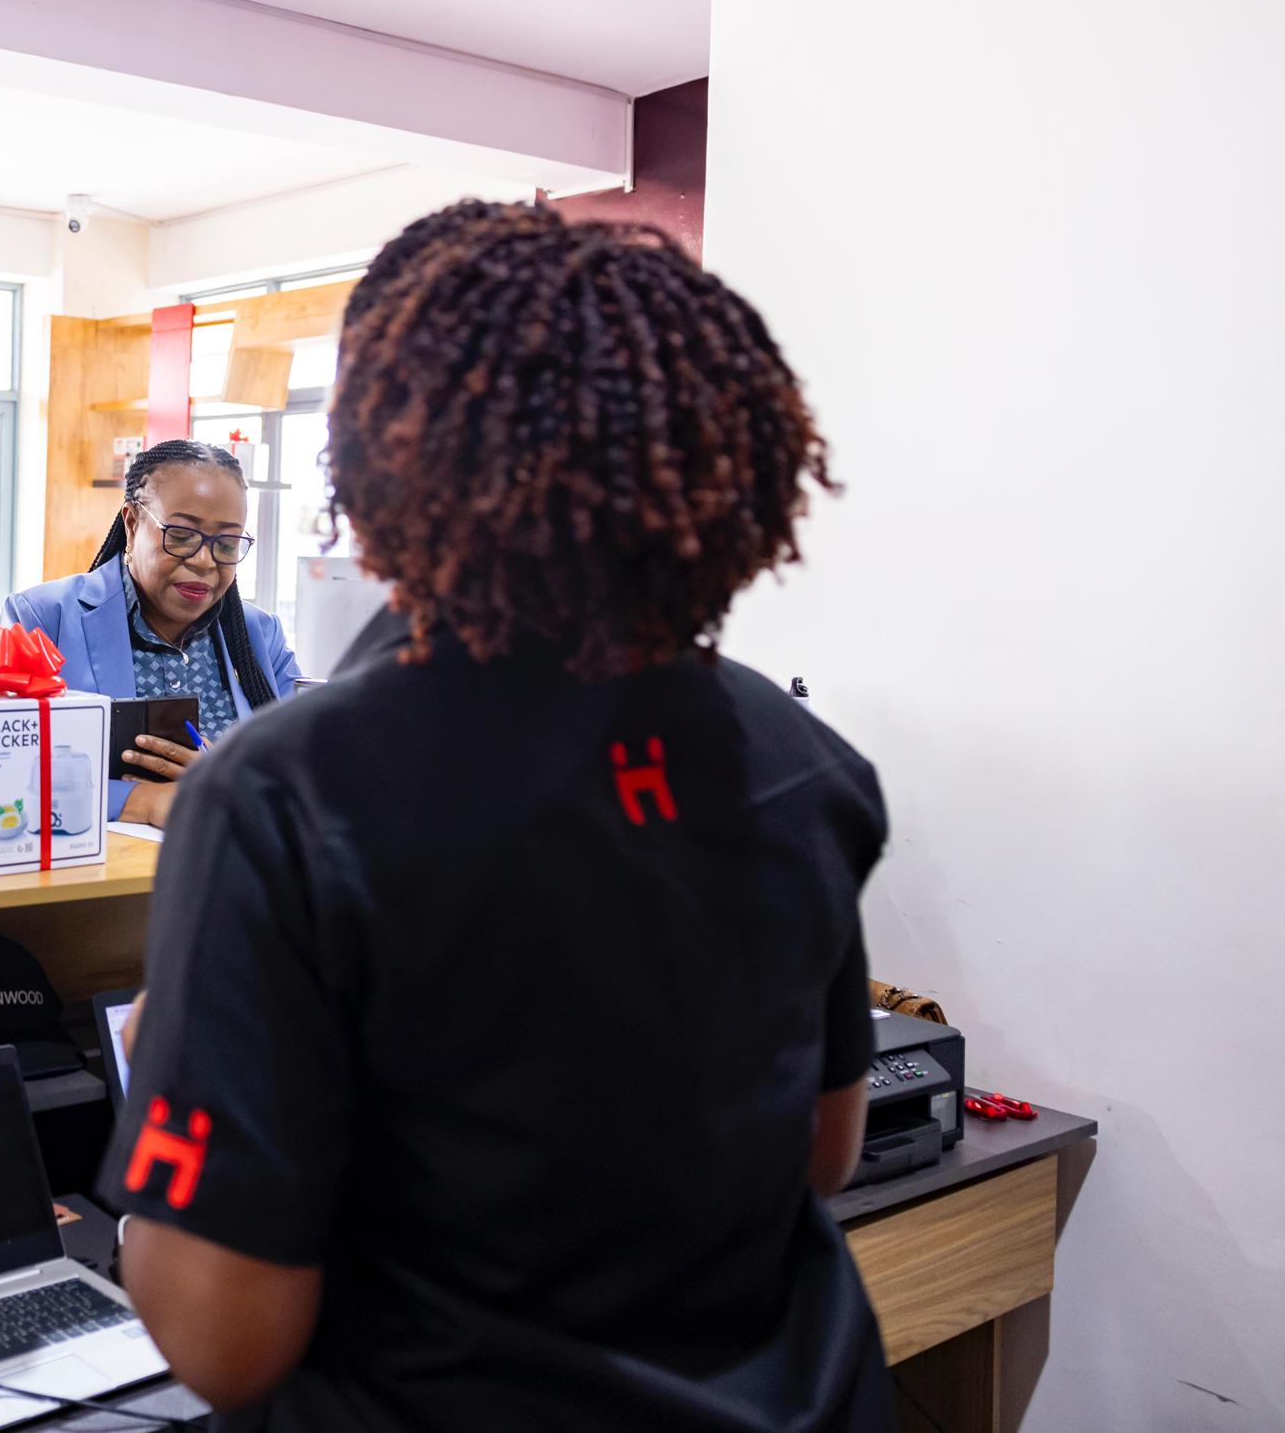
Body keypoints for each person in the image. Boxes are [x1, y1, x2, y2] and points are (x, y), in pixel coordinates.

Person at [108, 203, 896, 1432]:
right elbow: (822, 1151)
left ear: (377, 461)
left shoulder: (286, 795)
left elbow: (221, 1332)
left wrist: (185, 1045)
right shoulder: (801, 760)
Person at [4, 440, 299, 827]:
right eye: (181, 536)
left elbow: (310, 774)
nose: (204, 561)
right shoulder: (43, 619)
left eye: (227, 544)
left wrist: (230, 780)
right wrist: (140, 801)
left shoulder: (260, 636)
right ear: (131, 524)